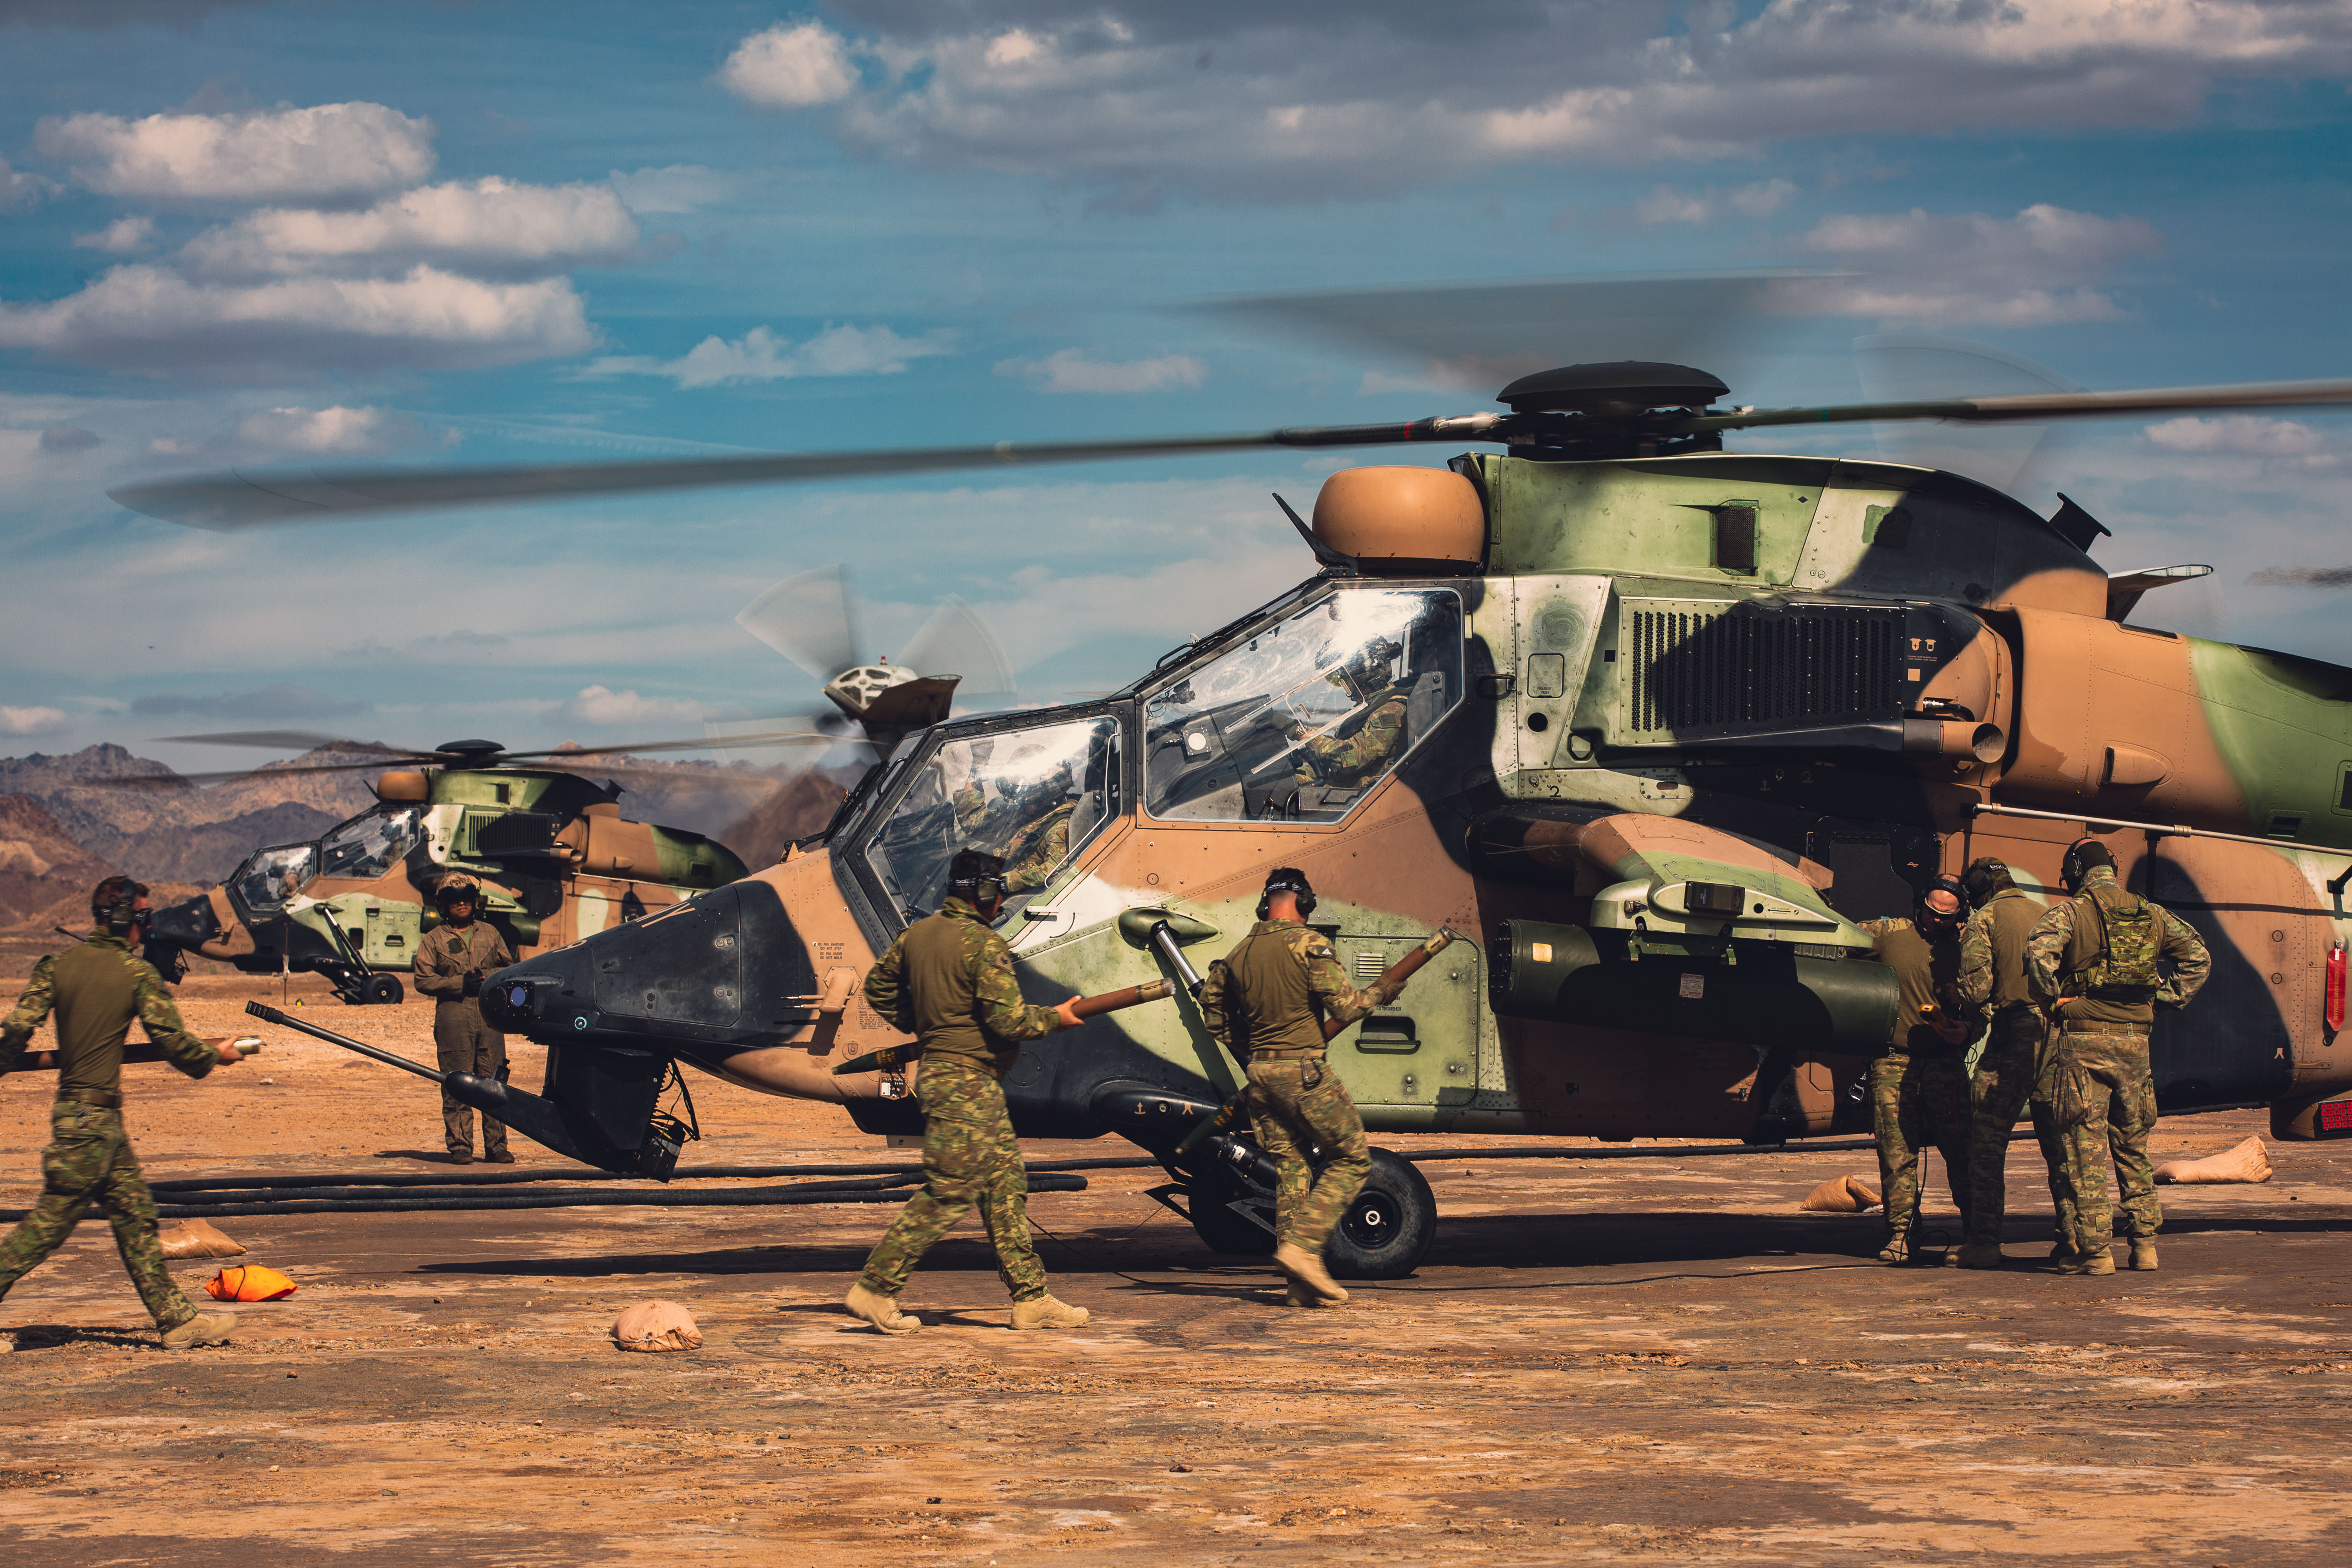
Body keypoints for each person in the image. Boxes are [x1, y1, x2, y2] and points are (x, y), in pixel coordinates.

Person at [846, 849, 1090, 1334]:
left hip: (952, 1077)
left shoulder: (918, 935)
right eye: (998, 890)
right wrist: (1055, 1018)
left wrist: (924, 1023)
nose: (1001, 900)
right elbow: (1009, 1020)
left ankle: (1031, 1296)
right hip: (965, 1085)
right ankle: (876, 1287)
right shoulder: (982, 943)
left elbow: (877, 988)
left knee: (1005, 1185)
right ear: (983, 892)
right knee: (952, 1190)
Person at [0, 876, 242, 1349]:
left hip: (89, 1121)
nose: (145, 929)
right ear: (122, 921)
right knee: (47, 1228)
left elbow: (16, 1031)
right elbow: (173, 1045)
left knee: (135, 1218)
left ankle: (177, 1320)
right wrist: (216, 1055)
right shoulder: (137, 977)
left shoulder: (56, 967)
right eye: (142, 920)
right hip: (92, 1130)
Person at [1197, 866, 1395, 1307]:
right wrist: (1382, 989)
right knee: (1352, 1160)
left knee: (1293, 1171)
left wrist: (1250, 1049)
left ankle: (1298, 1285)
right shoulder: (1311, 945)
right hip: (1304, 1075)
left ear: (1265, 905)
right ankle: (1303, 1249)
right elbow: (1345, 1006)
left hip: (1262, 1078)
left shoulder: (1239, 954)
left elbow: (1213, 1014)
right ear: (1304, 902)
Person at [2026, 838, 2210, 1276]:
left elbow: (2038, 954)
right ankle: (2145, 1246)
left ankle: (2096, 1253)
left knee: (2084, 1149)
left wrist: (2054, 1002)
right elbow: (2198, 959)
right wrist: (2160, 1003)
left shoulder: (2071, 912)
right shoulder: (2152, 913)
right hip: (2135, 1045)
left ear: (2074, 872)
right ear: (2111, 867)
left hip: (2084, 1043)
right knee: (2133, 1147)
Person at [1861, 875, 1979, 1264]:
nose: (1939, 921)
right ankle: (1901, 1233)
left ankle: (1978, 1233)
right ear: (1921, 904)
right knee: (1896, 1151)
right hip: (1893, 1061)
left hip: (1945, 1062)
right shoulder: (1887, 933)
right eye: (1932, 912)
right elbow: (1842, 941)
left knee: (1961, 1151)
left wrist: (1968, 1030)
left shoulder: (1968, 949)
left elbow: (1985, 1000)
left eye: (1949, 915)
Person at [1953, 856, 2060, 1270]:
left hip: (2014, 1034)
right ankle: (2071, 1239)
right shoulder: (2049, 914)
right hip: (2056, 1034)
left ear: (1980, 887)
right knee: (2060, 1144)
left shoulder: (1986, 918)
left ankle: (1984, 1242)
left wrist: (1958, 995)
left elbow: (1978, 989)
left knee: (1987, 1141)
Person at [414, 879, 516, 1165]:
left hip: (489, 1020)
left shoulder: (491, 934)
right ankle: (460, 1147)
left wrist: (487, 977)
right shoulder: (434, 939)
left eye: (467, 898)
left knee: (493, 1083)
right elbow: (423, 979)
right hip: (453, 1019)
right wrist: (459, 983)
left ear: (475, 902)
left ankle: (497, 1146)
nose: (462, 904)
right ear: (444, 905)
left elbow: (511, 969)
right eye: (454, 899)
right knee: (456, 1083)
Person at [1293, 637, 1411, 789]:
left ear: (1367, 678)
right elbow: (1335, 760)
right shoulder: (1369, 709)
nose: (1347, 687)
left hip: (1364, 797)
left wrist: (1304, 735)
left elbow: (1353, 758)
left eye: (1348, 680)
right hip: (1347, 788)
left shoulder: (1390, 710)